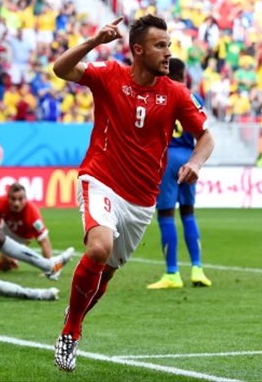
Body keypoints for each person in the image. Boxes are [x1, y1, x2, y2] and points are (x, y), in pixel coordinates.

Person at [51, 14, 214, 371]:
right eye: (160, 46)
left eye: (169, 45)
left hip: (141, 199)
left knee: (104, 275)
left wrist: (197, 163)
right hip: (101, 178)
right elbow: (61, 70)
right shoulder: (109, 75)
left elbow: (206, 136)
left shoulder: (175, 93)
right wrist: (94, 41)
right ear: (137, 50)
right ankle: (71, 330)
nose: (167, 53)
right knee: (99, 246)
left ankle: (75, 311)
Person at [147, 57, 212, 290]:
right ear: (184, 75)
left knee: (165, 214)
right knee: (188, 213)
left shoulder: (161, 95)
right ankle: (197, 268)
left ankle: (172, 273)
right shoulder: (194, 98)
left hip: (167, 158)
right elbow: (203, 130)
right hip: (189, 156)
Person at [0, 183, 72, 280]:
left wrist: (49, 264)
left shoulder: (33, 215)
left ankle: (55, 267)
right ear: (7, 198)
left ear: (26, 198)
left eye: (20, 199)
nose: (17, 203)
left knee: (5, 265)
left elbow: (44, 241)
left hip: (21, 237)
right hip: (4, 228)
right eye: (13, 199)